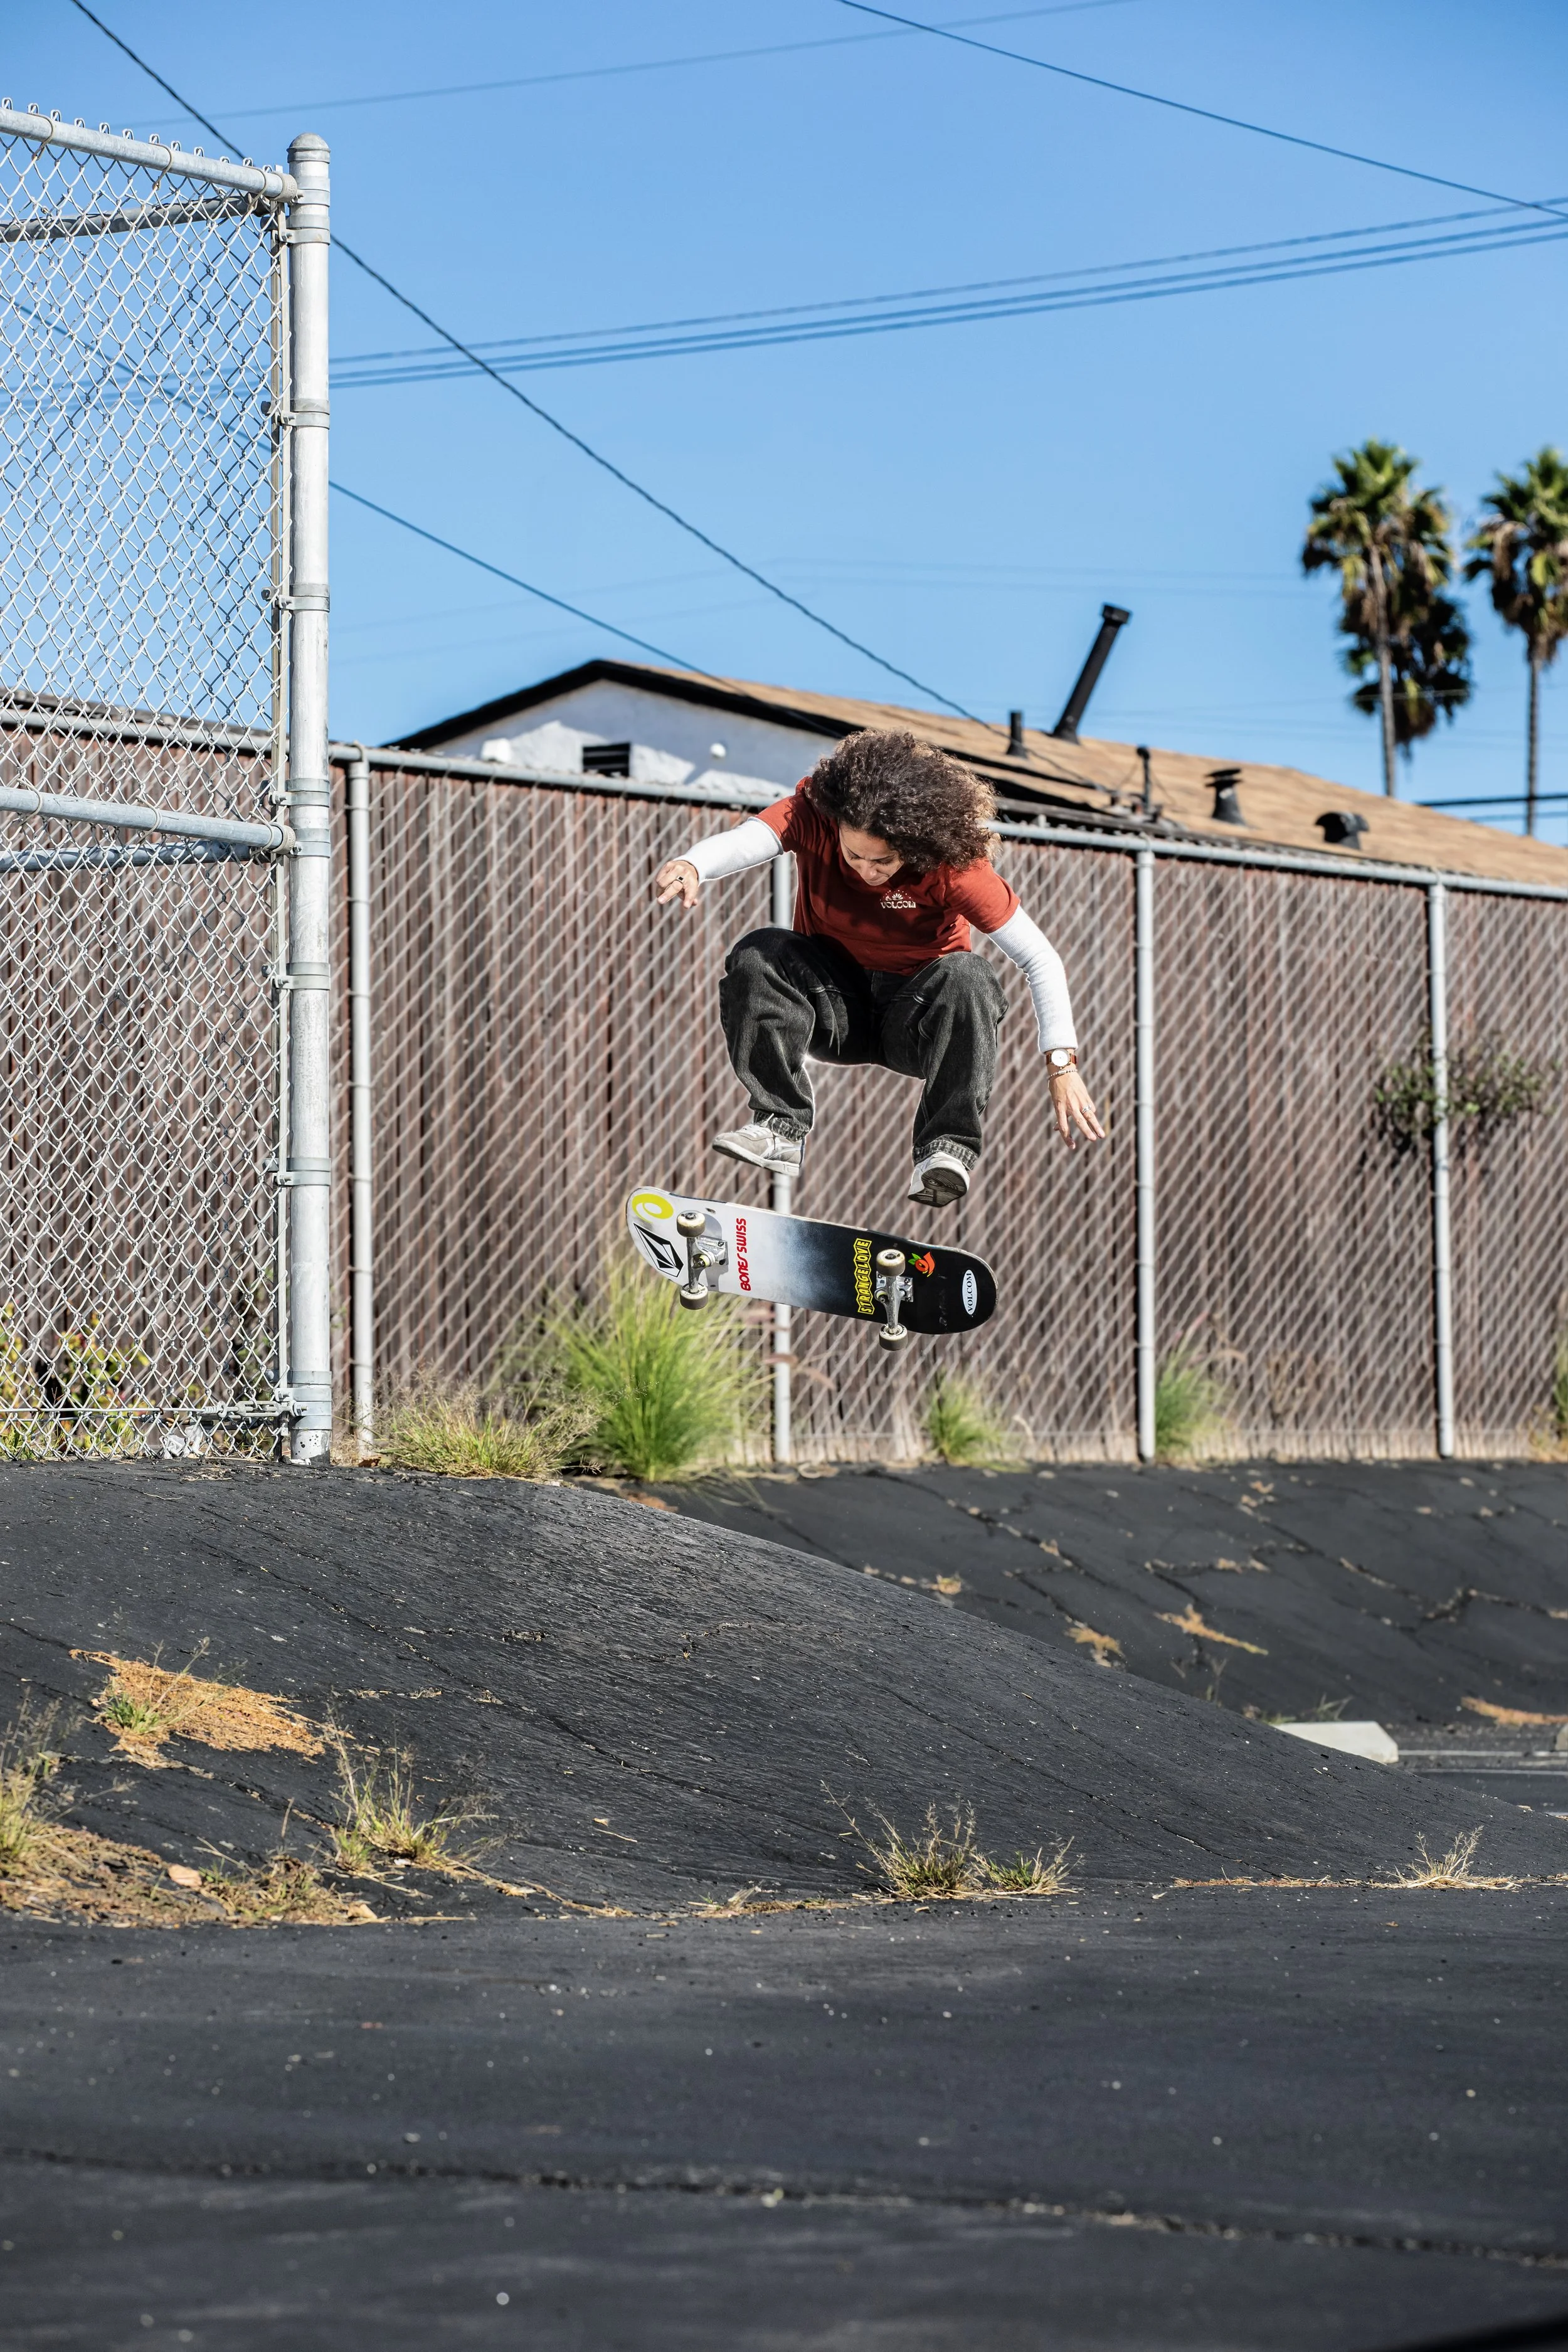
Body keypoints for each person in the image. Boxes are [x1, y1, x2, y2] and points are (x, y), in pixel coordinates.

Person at [654, 729, 1103, 1208]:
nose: (866, 871)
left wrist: (1061, 1065)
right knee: (759, 951)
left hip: (913, 1023)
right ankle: (779, 1127)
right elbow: (753, 838)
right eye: (854, 855)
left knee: (970, 975)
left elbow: (1040, 958)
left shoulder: (953, 864)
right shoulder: (814, 814)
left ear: (915, 843)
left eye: (884, 861)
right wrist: (695, 864)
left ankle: (944, 1152)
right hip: (832, 1010)